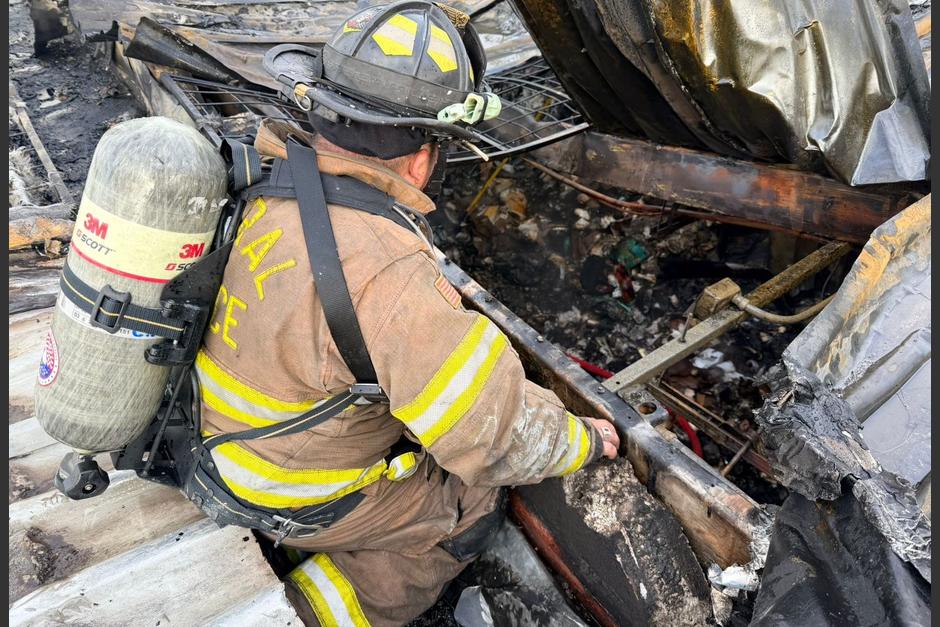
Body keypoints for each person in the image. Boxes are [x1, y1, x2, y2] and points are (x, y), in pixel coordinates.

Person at [196, 2, 620, 624]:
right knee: (469, 504)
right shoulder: (390, 274)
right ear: (424, 158)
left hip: (209, 440)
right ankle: (321, 606)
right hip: (283, 489)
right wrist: (582, 439)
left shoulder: (269, 179)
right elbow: (492, 435)